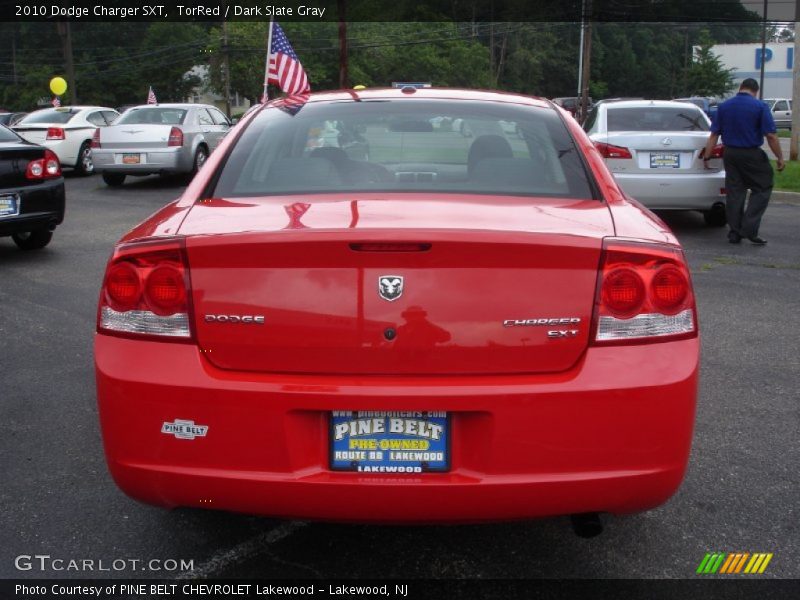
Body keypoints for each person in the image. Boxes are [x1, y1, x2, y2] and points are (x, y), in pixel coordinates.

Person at [702, 78, 785, 245]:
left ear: (740, 88)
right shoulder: (760, 106)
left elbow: (714, 134)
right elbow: (770, 135)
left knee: (734, 191)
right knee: (762, 187)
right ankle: (749, 228)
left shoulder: (724, 107)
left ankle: (734, 232)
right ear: (756, 91)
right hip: (751, 153)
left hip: (730, 154)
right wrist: (780, 157)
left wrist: (707, 156)